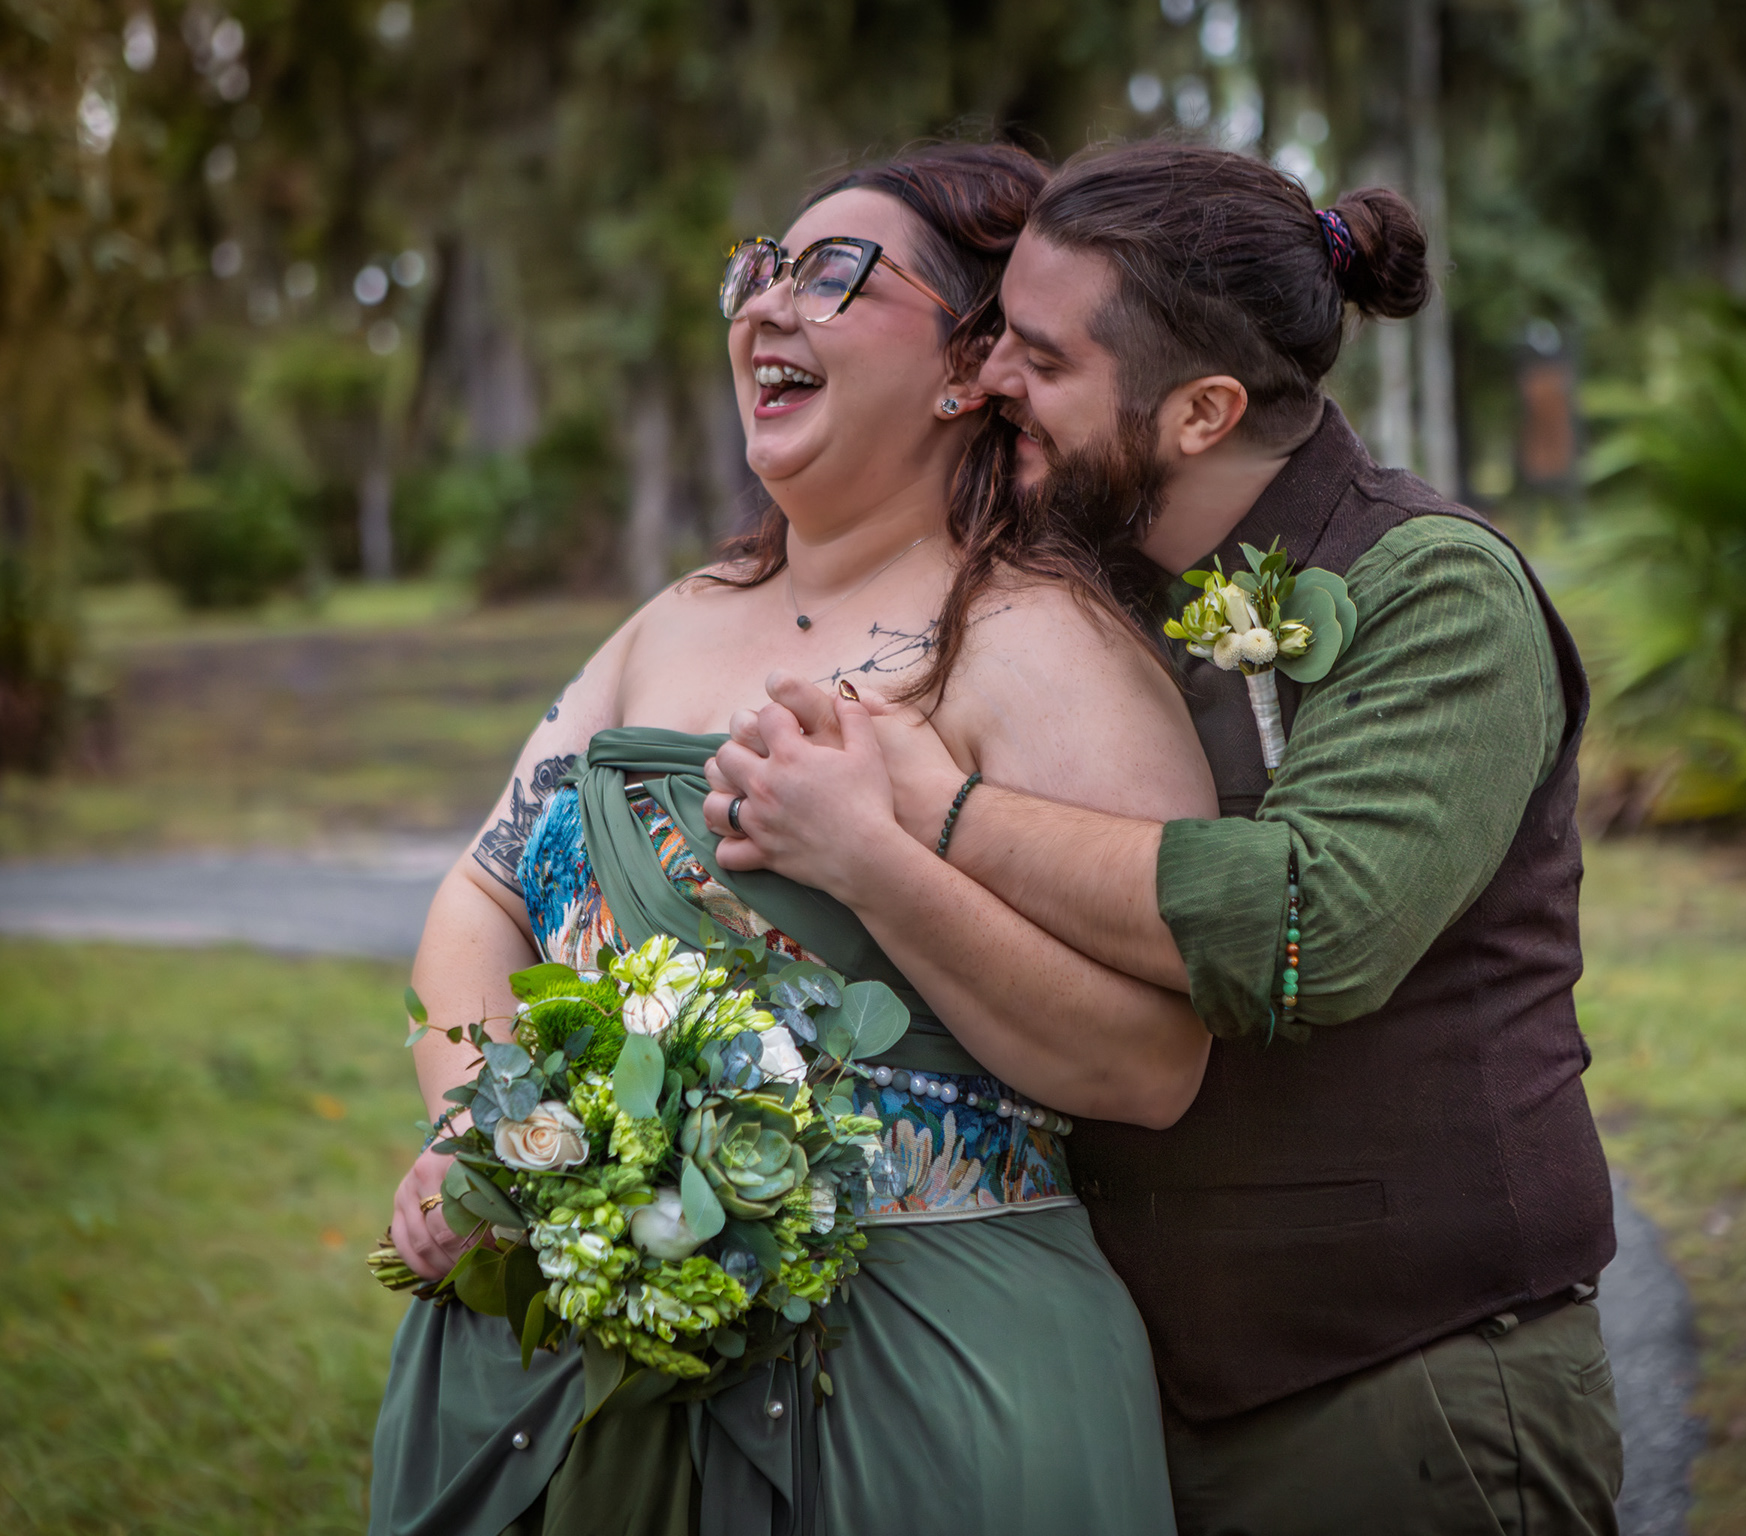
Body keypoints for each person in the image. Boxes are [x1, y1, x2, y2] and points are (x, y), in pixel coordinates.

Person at [708, 142, 1625, 1535]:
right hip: (1133, 1398)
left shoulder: (1437, 591)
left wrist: (937, 816)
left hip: (1408, 1392)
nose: (991, 380)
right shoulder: (1087, 573)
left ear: (1200, 411)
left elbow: (1308, 926)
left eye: (1039, 357)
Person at [367, 141, 1217, 1536]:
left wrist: (876, 854)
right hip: (570, 1351)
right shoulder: (670, 620)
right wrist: (495, 1133)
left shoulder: (1039, 646)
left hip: (919, 1378)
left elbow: (1154, 1063)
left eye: (832, 275)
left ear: (967, 363)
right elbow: (483, 891)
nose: (765, 305)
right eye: (756, 270)